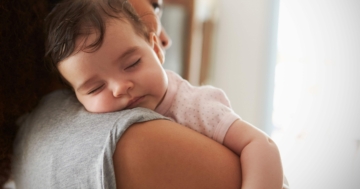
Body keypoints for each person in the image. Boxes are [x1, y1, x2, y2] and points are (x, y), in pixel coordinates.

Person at [4, 0, 246, 188]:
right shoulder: (126, 140)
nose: (120, 88)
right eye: (95, 88)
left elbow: (259, 146)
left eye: (131, 63)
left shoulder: (196, 104)